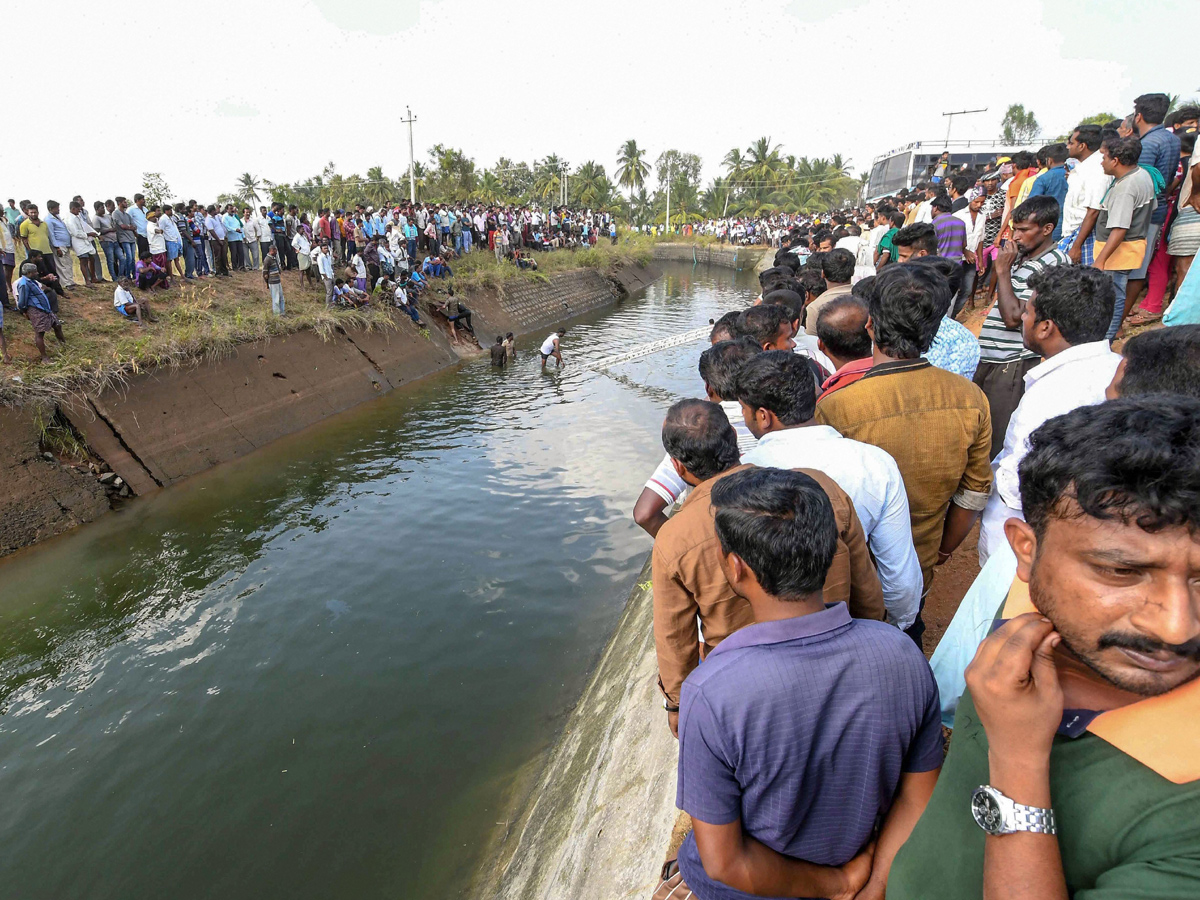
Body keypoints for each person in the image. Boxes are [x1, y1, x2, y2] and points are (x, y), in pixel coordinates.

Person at [883, 397, 1200, 900]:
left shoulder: (1186, 814)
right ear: (1026, 551)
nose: (1178, 627)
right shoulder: (1031, 609)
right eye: (1121, 572)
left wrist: (1017, 757)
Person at [655, 464, 941, 900]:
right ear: (829, 552)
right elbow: (920, 795)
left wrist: (839, 885)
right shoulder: (901, 653)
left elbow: (725, 862)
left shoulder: (710, 692)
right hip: (864, 863)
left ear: (734, 568)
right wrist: (875, 885)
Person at [651, 399, 886, 731]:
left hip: (744, 690)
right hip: (839, 659)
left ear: (677, 467)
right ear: (733, 436)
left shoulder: (674, 538)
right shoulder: (815, 488)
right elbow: (867, 592)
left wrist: (677, 705)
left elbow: (675, 637)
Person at [817, 264, 991, 641]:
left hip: (853, 577)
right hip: (923, 563)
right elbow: (974, 493)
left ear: (869, 325)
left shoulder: (837, 406)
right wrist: (942, 552)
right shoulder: (971, 398)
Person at [736, 350, 922, 632]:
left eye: (743, 409)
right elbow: (899, 575)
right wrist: (899, 625)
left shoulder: (744, 477)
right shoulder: (874, 463)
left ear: (763, 416)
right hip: (858, 621)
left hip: (774, 632)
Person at [978, 265, 1120, 564]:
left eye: (1028, 312)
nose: (1023, 319)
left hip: (1023, 547)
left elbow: (1016, 486)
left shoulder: (1052, 393)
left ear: (1046, 327)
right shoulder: (1118, 369)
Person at [634, 338, 762, 537]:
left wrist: (682, 546)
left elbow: (645, 514)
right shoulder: (769, 421)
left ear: (709, 388)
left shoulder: (700, 429)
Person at [975, 195, 1067, 457]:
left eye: (1024, 230)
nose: (1015, 236)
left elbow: (1013, 317)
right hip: (991, 358)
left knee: (995, 440)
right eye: (1014, 228)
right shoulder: (1023, 259)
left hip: (1011, 364)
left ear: (1047, 229)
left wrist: (1002, 271)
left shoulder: (1053, 263)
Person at [1093, 134, 1157, 337]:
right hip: (1128, 248)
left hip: (1118, 253)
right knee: (1115, 294)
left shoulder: (1126, 188)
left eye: (1104, 157)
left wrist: (1101, 260)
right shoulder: (1142, 175)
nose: (1102, 162)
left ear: (1115, 161)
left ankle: (1107, 339)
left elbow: (1120, 228)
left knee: (1113, 297)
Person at [16, 262, 66, 360]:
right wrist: (24, 311)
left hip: (45, 309)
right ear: (29, 273)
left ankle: (64, 346)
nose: (37, 273)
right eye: (35, 272)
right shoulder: (24, 284)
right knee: (40, 333)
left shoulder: (32, 281)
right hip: (36, 310)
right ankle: (44, 357)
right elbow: (22, 301)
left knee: (57, 325)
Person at [801, 248, 854, 335]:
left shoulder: (815, 308)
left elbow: (812, 343)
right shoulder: (864, 297)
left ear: (823, 273)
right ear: (852, 272)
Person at [1025, 143, 1070, 240]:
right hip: (1074, 228)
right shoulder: (1074, 174)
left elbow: (1032, 205)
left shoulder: (1043, 179)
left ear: (1049, 160)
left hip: (1051, 229)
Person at [43, 201, 75, 290]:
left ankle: (70, 281)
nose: (58, 209)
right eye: (56, 208)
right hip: (59, 245)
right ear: (50, 209)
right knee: (61, 264)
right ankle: (66, 283)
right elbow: (51, 234)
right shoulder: (48, 220)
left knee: (68, 263)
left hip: (65, 244)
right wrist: (57, 247)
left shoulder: (58, 217)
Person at [112, 197, 140, 279]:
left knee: (133, 258)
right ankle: (127, 276)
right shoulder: (116, 213)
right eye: (124, 202)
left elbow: (135, 226)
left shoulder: (127, 215)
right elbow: (122, 226)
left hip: (131, 238)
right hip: (124, 238)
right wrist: (129, 227)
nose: (126, 203)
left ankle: (134, 275)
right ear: (120, 203)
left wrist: (129, 227)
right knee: (129, 257)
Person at [263, 245, 285, 316]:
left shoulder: (274, 258)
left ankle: (282, 313)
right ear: (272, 250)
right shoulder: (267, 259)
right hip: (273, 282)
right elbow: (265, 273)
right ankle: (276, 315)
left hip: (277, 281)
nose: (276, 252)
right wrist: (267, 283)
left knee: (281, 298)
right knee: (276, 299)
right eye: (275, 250)